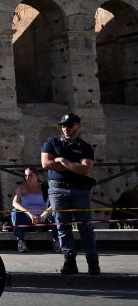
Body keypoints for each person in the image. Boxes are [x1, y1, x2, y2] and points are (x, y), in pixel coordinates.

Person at [42, 112, 100, 275]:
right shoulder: (52, 142)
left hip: (79, 189)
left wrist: (62, 161)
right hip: (57, 190)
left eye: (69, 125)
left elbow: (85, 169)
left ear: (78, 126)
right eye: (62, 126)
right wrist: (74, 166)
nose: (65, 129)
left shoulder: (85, 147)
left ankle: (93, 263)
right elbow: (46, 163)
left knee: (85, 226)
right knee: (62, 226)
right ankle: (69, 261)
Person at [11, 168, 56, 252]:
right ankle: (20, 241)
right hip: (28, 218)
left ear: (37, 176)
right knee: (15, 211)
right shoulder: (21, 188)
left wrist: (46, 212)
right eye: (26, 175)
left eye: (30, 175)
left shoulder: (45, 188)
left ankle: (56, 241)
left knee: (55, 213)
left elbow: (55, 202)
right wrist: (29, 213)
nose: (27, 178)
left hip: (43, 218)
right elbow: (15, 203)